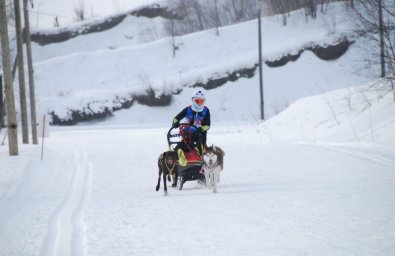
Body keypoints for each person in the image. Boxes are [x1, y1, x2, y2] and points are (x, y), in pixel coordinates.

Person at [172, 90, 211, 166]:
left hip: (200, 134)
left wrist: (201, 129)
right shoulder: (188, 109)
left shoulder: (206, 111)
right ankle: (181, 157)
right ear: (193, 100)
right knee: (181, 146)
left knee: (200, 147)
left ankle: (199, 157)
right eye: (197, 101)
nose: (200, 103)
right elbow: (176, 118)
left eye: (202, 101)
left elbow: (208, 125)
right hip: (187, 134)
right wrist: (175, 123)